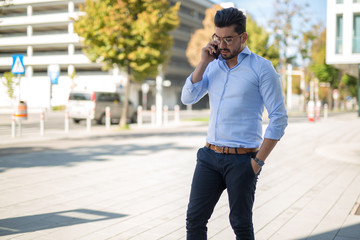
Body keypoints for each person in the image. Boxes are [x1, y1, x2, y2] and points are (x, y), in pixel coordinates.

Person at [181, 7, 288, 240]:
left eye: (228, 39)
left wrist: (258, 162)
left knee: (240, 224)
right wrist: (202, 63)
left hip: (242, 160)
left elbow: (279, 118)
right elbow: (187, 98)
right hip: (209, 157)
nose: (222, 45)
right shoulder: (212, 65)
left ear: (243, 38)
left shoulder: (261, 68)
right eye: (218, 38)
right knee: (194, 220)